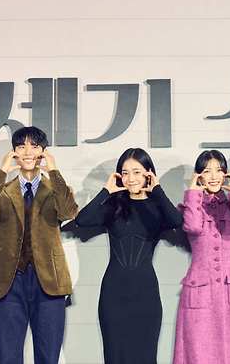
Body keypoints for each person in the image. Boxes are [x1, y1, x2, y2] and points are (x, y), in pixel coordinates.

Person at [0, 126, 78, 364]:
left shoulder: (57, 188)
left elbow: (69, 211)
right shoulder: (3, 190)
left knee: (48, 357)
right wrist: (2, 171)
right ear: (14, 153)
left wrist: (54, 170)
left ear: (43, 151)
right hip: (9, 282)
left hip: (49, 282)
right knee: (8, 357)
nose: (28, 152)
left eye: (34, 146)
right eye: (21, 146)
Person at [74, 148, 183, 364]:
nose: (130, 178)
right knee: (115, 358)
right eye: (125, 173)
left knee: (145, 358)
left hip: (146, 296)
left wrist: (157, 189)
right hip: (113, 295)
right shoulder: (113, 206)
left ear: (148, 173)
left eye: (136, 172)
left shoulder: (156, 207)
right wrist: (106, 191)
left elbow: (177, 222)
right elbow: (83, 220)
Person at [173, 150, 230, 364]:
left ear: (226, 174)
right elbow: (193, 227)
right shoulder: (190, 207)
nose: (213, 176)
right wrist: (192, 191)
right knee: (199, 351)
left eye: (218, 170)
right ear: (198, 176)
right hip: (201, 291)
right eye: (207, 171)